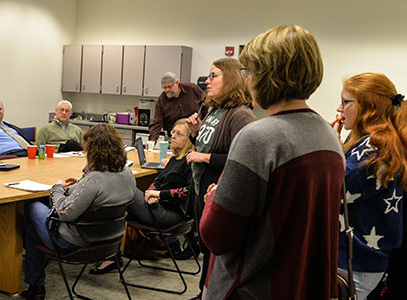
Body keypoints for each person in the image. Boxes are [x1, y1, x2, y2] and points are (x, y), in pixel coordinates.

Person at [199, 25, 345, 299]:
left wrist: (212, 199)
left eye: (250, 72)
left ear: (268, 76)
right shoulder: (329, 135)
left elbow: (217, 235)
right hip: (301, 285)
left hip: (253, 288)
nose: (247, 81)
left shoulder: (258, 138)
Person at [21, 124, 136, 300]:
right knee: (34, 230)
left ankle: (36, 286)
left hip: (75, 243)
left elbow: (65, 212)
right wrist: (80, 185)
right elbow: (99, 194)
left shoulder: (95, 179)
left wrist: (57, 188)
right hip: (110, 241)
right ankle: (35, 284)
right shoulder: (128, 173)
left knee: (33, 207)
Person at [184, 57, 257, 300]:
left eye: (214, 75)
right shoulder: (215, 109)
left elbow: (242, 161)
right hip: (200, 186)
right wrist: (195, 134)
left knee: (213, 251)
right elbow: (205, 147)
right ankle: (202, 292)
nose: (207, 81)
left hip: (216, 189)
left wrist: (205, 158)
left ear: (232, 79)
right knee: (205, 250)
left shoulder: (241, 115)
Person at [331, 73, 407, 299]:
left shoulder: (375, 147)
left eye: (346, 102)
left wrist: (331, 147)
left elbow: (335, 188)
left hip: (357, 261)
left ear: (367, 106)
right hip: (361, 259)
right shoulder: (369, 142)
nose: (339, 107)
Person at [90, 118, 195, 274]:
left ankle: (108, 254)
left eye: (179, 134)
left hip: (171, 215)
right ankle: (110, 255)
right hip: (158, 207)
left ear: (190, 140)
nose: (173, 136)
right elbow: (158, 180)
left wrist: (158, 194)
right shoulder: (175, 159)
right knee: (119, 210)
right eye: (173, 132)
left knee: (126, 190)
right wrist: (150, 192)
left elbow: (187, 192)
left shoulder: (191, 161)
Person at [149, 72, 204, 142]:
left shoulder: (191, 88)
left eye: (169, 87)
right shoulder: (162, 100)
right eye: (164, 87)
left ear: (177, 83)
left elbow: (205, 103)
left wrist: (202, 122)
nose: (166, 90)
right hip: (174, 137)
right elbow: (157, 122)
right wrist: (152, 141)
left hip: (195, 135)